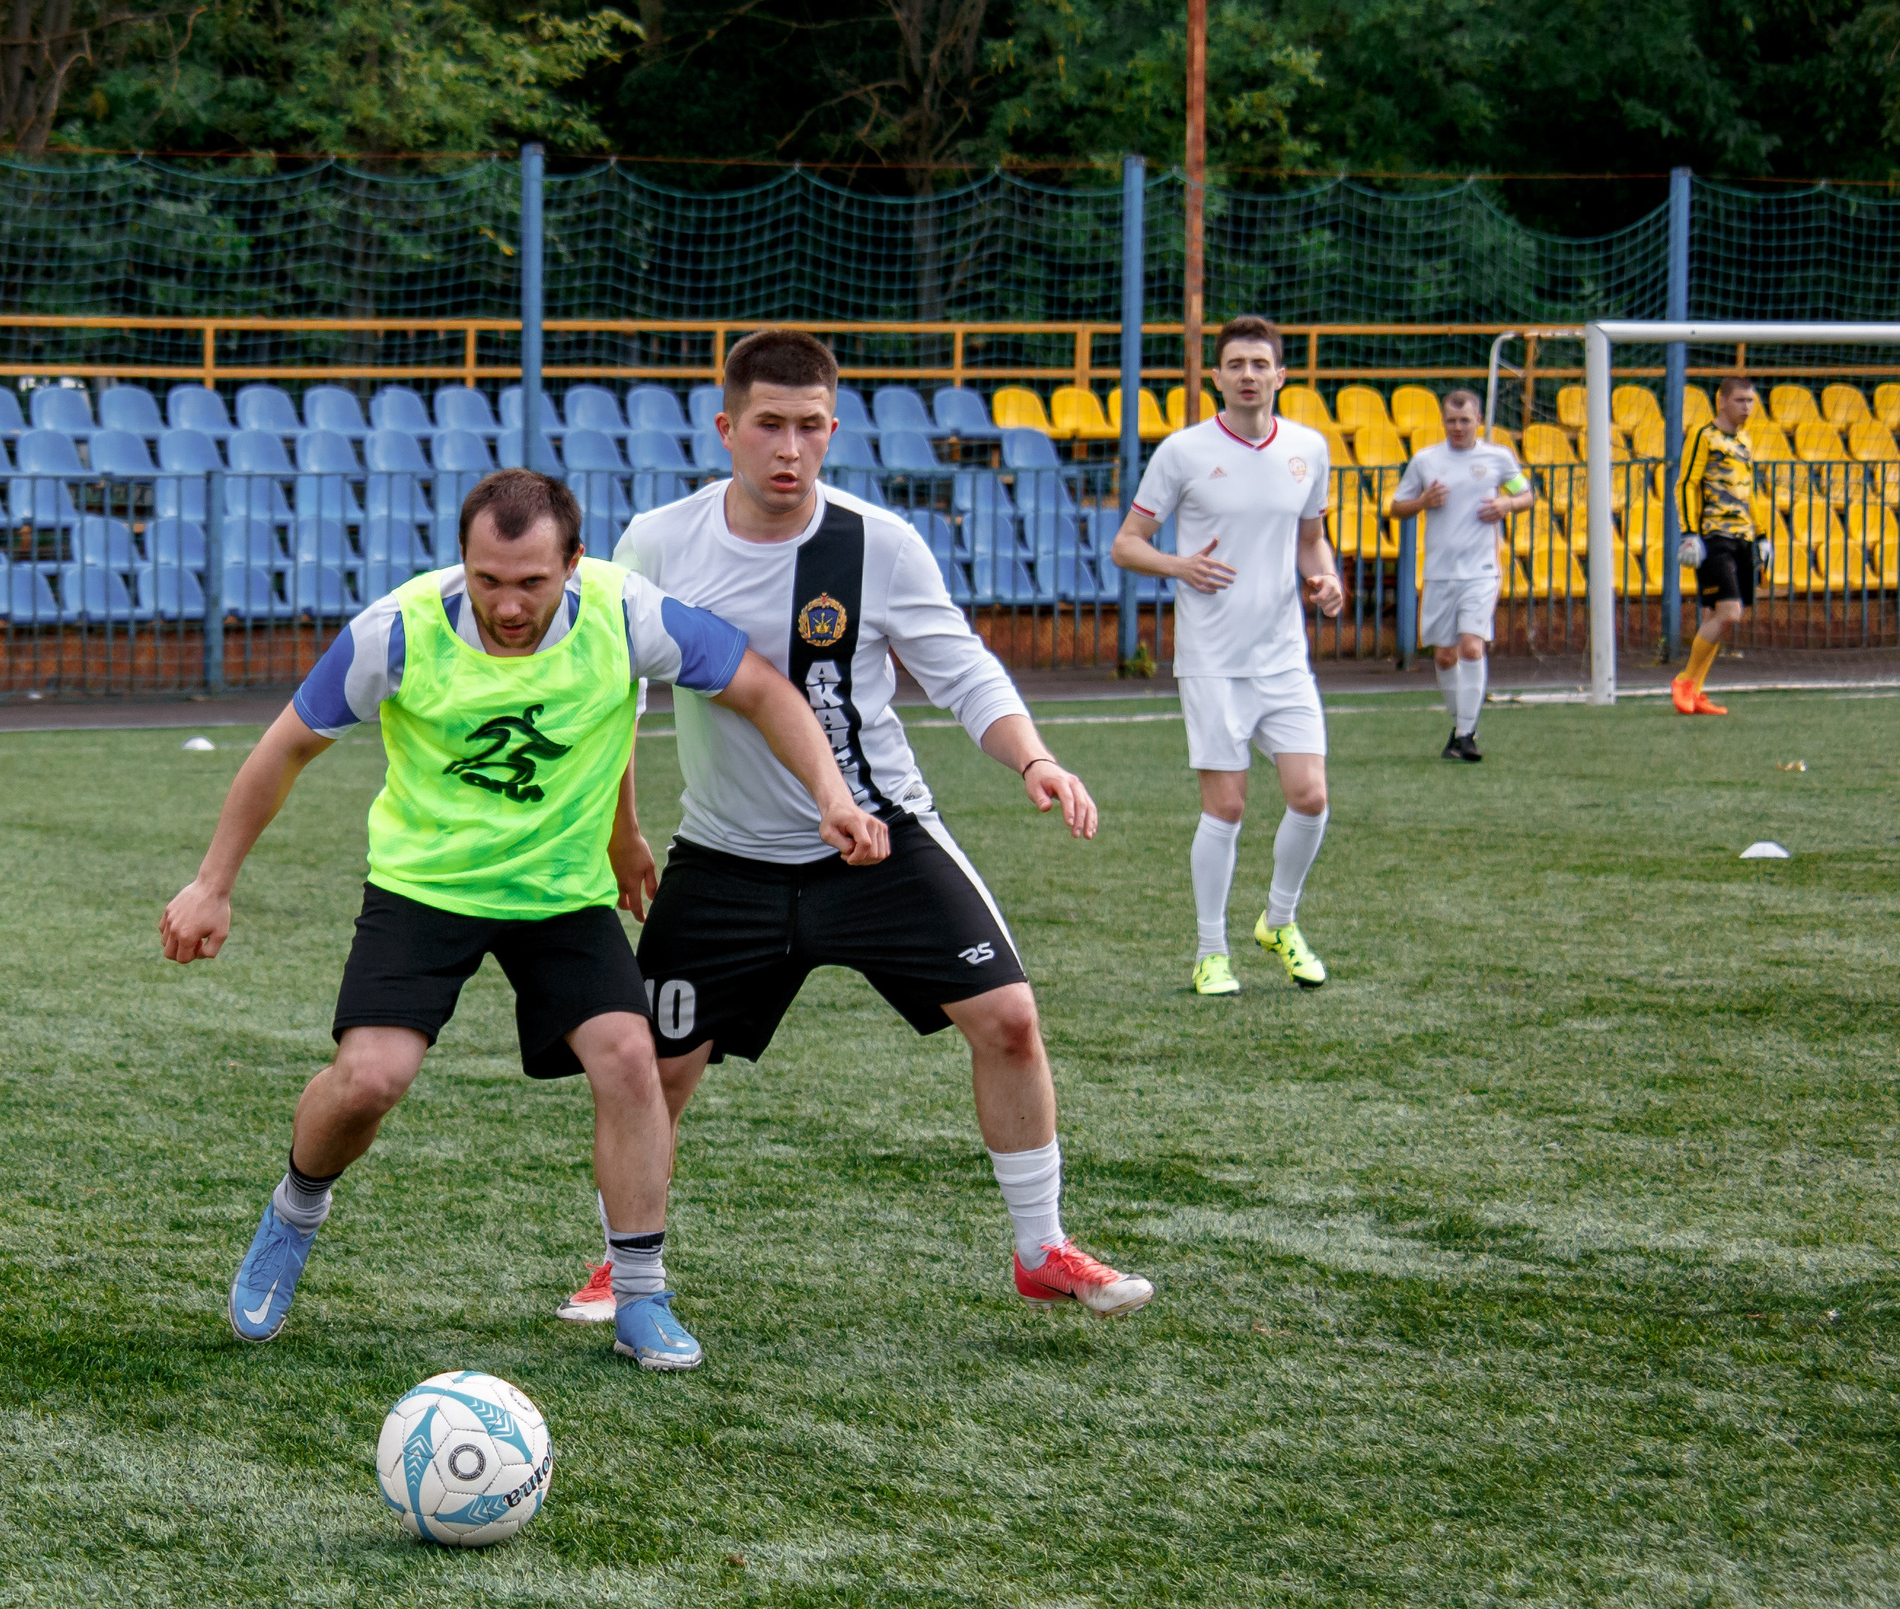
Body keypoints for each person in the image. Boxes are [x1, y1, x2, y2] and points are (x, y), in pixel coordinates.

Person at [159, 468, 890, 1373]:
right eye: (488, 580)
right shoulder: (397, 629)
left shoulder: (627, 614)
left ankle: (640, 1294)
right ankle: (297, 1210)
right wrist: (212, 882)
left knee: (629, 1058)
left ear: (573, 564)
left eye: (532, 583)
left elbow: (764, 690)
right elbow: (285, 748)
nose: (508, 605)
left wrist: (833, 796)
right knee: (370, 1081)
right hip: (426, 887)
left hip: (561, 896)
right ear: (462, 561)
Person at [551, 327, 1156, 1327]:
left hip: (877, 842)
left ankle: (1040, 1245)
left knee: (1008, 1017)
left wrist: (1035, 757)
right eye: (769, 425)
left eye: (810, 427)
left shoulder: (876, 542)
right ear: (726, 429)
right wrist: (624, 830)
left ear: (833, 429)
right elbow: (615, 695)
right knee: (656, 1068)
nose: (790, 447)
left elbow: (960, 669)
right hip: (725, 858)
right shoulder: (658, 543)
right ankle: (620, 1263)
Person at [1109, 315, 1345, 998]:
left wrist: (1325, 579)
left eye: (1259, 364)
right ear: (1215, 376)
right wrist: (1180, 565)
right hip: (1212, 659)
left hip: (1283, 657)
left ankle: (1280, 921)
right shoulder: (1183, 452)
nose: (1248, 375)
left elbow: (1311, 541)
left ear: (1280, 374)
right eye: (1235, 364)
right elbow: (1127, 544)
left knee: (1311, 796)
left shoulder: (1309, 448)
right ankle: (1211, 952)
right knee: (1229, 807)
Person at [1388, 389, 1533, 761]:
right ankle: (1462, 727)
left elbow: (1526, 494)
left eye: (1464, 420)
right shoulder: (1425, 460)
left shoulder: (1498, 459)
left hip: (1482, 570)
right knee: (1445, 657)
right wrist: (1422, 502)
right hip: (1439, 572)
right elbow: (1396, 507)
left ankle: (1466, 734)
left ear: (1478, 421)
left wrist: (1507, 503)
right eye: (1451, 421)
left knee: (1472, 646)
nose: (1457, 427)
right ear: (1443, 422)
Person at [1672, 375, 1760, 716]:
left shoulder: (1746, 441)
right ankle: (1684, 682)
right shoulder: (1704, 436)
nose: (1747, 407)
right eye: (1740, 400)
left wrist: (1762, 534)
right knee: (1730, 614)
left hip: (1743, 537)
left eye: (1750, 401)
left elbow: (1750, 492)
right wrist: (1690, 531)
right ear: (1722, 401)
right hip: (1714, 537)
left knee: (1714, 617)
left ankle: (1695, 692)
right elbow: (1686, 483)